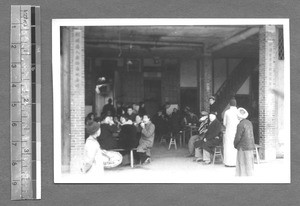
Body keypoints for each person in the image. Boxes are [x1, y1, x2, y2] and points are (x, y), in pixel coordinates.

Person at [234, 108, 255, 176]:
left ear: (239, 116)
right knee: (249, 162)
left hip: (242, 147)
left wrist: (235, 144)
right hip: (250, 146)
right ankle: (249, 175)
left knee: (242, 162)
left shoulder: (240, 125)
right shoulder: (249, 122)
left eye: (237, 115)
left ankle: (242, 176)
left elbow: (238, 137)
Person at [223, 98, 239, 167]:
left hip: (229, 131)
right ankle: (236, 162)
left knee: (228, 146)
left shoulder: (227, 112)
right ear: (236, 104)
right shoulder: (238, 112)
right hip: (237, 131)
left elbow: (224, 123)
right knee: (236, 146)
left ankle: (228, 162)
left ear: (229, 104)